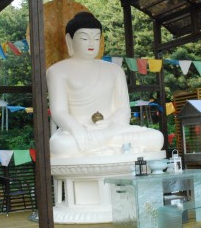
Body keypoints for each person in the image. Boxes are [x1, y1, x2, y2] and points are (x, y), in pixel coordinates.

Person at [46, 11, 164, 158]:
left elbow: (123, 109)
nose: (91, 43)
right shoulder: (57, 71)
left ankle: (102, 147)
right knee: (61, 146)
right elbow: (59, 112)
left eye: (96, 38)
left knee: (156, 137)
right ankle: (113, 146)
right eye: (84, 38)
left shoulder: (115, 70)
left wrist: (112, 124)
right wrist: (77, 129)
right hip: (78, 133)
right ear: (70, 40)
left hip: (111, 129)